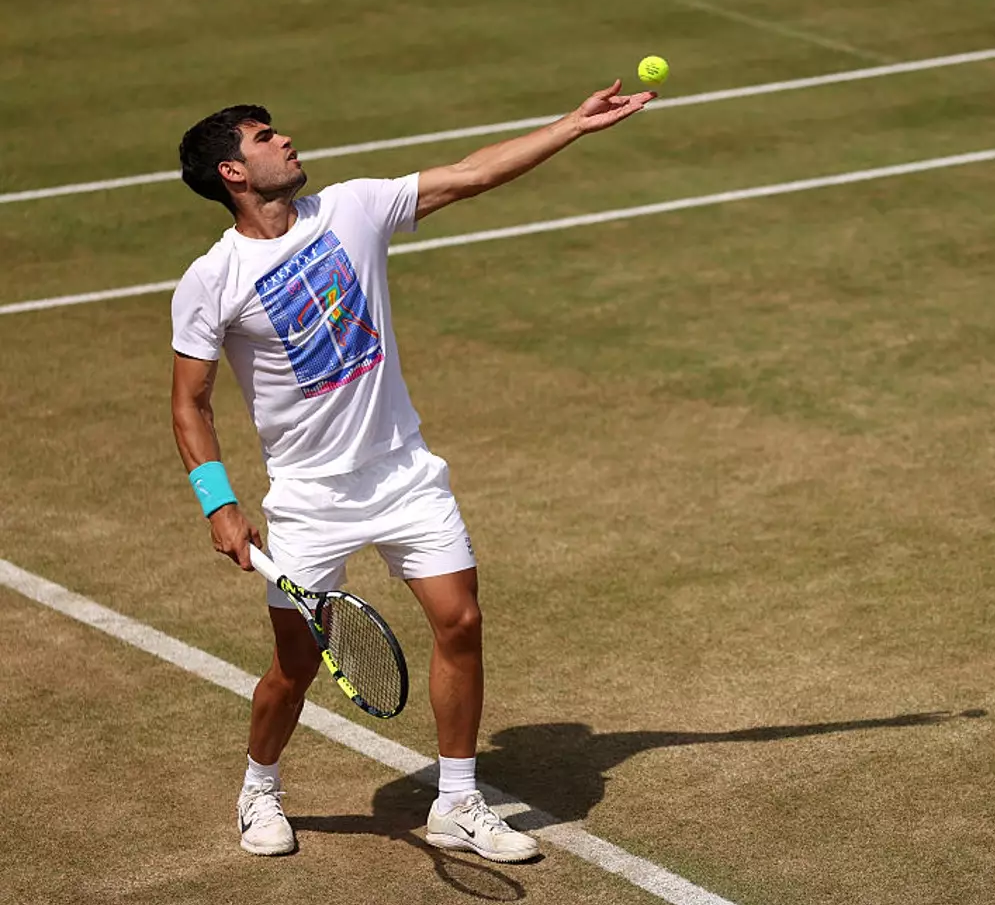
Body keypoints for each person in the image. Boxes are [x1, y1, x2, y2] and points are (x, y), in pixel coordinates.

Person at [169, 82, 655, 859]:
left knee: (460, 621)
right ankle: (260, 786)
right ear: (232, 172)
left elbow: (472, 174)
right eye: (266, 137)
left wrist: (572, 125)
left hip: (403, 472)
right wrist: (217, 503)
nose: (286, 141)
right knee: (293, 667)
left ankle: (458, 800)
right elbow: (190, 403)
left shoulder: (353, 208)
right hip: (310, 498)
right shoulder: (211, 279)